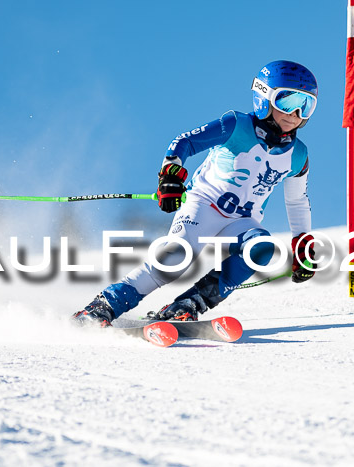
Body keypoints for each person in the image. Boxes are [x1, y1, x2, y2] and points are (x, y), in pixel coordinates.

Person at [73, 60, 318, 326]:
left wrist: (302, 243)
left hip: (242, 222)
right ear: (264, 97)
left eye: (306, 105)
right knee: (175, 260)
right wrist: (170, 175)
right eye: (287, 101)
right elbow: (184, 142)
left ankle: (187, 305)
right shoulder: (237, 124)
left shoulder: (299, 155)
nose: (295, 113)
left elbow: (297, 201)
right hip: (203, 205)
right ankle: (103, 307)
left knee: (260, 249)